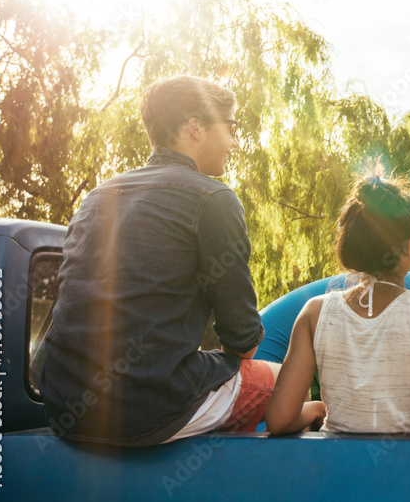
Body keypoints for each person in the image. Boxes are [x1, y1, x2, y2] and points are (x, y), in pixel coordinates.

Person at [40, 75, 312, 446]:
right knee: (288, 387)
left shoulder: (96, 197)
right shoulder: (213, 199)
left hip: (63, 406)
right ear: (195, 127)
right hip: (146, 409)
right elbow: (243, 339)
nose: (234, 142)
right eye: (230, 128)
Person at [265, 172, 410, 439]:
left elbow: (279, 419)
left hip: (333, 473)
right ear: (409, 246)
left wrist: (316, 408)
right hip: (409, 473)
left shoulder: (314, 313)